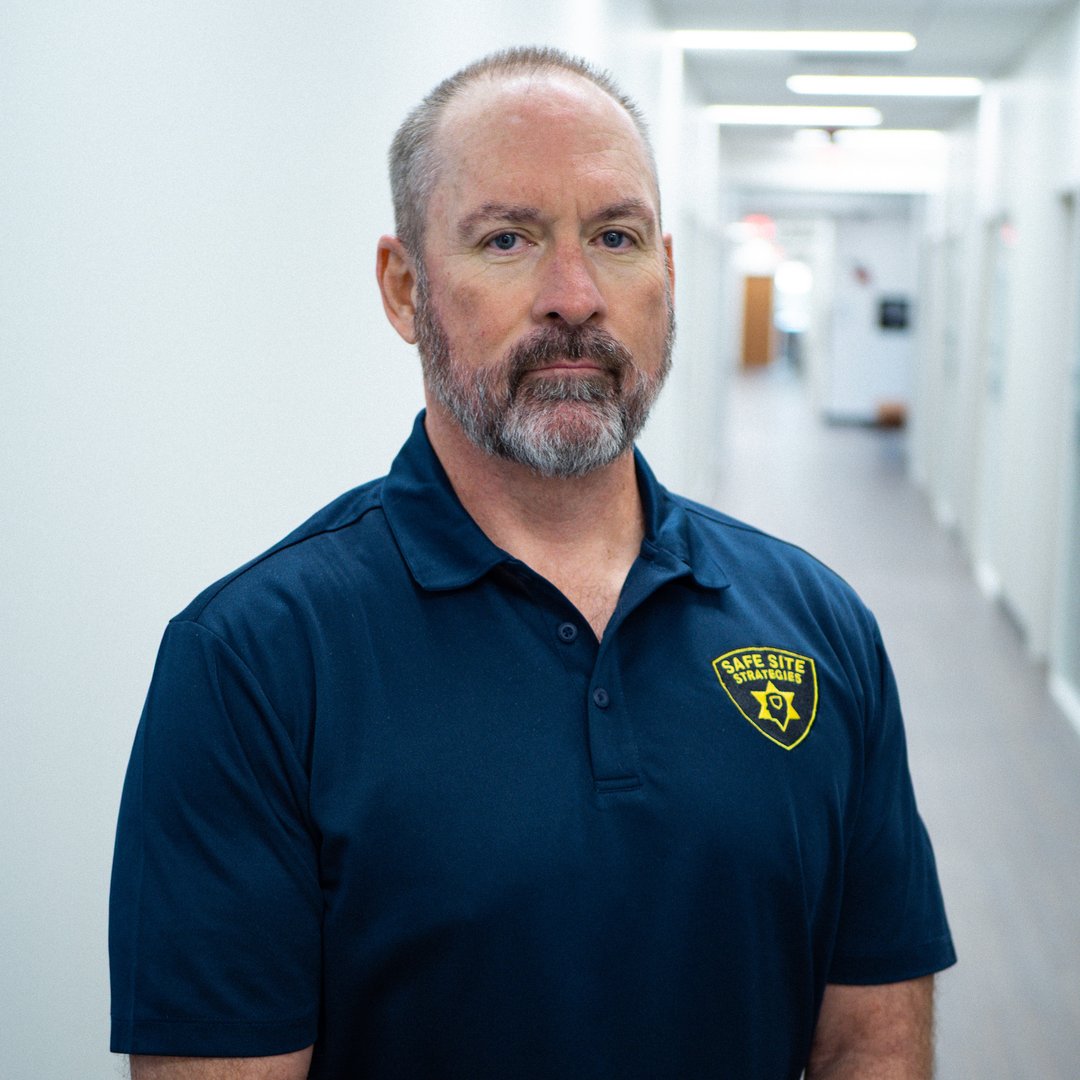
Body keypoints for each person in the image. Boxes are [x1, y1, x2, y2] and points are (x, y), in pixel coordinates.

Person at [109, 46, 956, 1079]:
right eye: (507, 239)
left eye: (616, 237)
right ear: (405, 289)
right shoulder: (255, 662)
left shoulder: (820, 625)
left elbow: (872, 1038)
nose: (575, 295)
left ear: (668, 274)